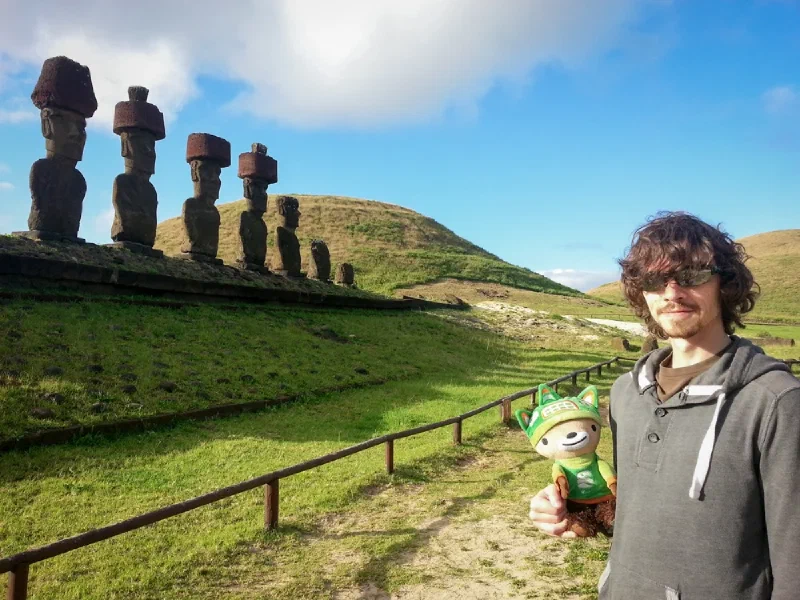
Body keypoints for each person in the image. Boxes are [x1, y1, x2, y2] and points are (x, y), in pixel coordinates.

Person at [528, 212, 800, 599]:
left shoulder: (776, 402)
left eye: (691, 275)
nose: (672, 293)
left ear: (724, 282)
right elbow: (634, 509)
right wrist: (573, 513)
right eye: (654, 280)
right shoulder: (625, 393)